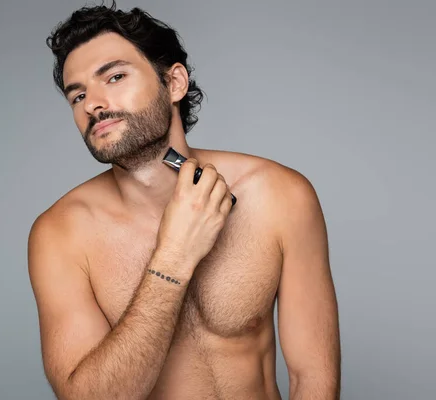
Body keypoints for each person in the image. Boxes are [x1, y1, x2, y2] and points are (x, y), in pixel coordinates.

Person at [27, 1, 341, 399]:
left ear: (174, 83)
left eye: (116, 76)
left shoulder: (279, 194)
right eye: (77, 95)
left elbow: (314, 379)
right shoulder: (60, 235)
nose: (92, 103)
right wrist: (174, 256)